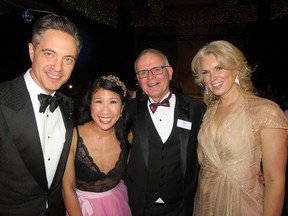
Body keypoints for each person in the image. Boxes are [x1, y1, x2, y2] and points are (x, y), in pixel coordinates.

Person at [191, 40, 288, 216]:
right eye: (206, 72)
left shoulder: (265, 111)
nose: (212, 78)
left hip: (244, 204)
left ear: (236, 68)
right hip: (207, 201)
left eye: (219, 68)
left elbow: (275, 180)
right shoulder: (208, 113)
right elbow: (200, 159)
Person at [0, 14, 82, 215]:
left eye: (68, 59)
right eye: (49, 53)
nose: (58, 67)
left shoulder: (67, 106)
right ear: (31, 51)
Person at [125, 48, 206, 216]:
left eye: (156, 69)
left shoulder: (196, 109)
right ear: (138, 79)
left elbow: (213, 144)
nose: (150, 77)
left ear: (169, 72)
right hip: (140, 205)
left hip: (182, 205)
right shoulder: (128, 111)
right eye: (143, 72)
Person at [62, 75, 132, 216]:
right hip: (81, 208)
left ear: (122, 107)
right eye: (99, 101)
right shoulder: (73, 136)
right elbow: (67, 189)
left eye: (113, 102)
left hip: (118, 203)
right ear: (90, 104)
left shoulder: (128, 135)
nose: (105, 111)